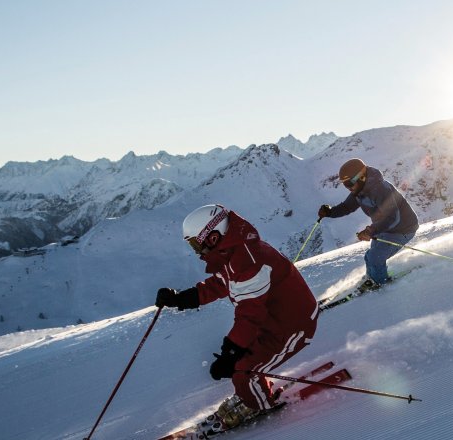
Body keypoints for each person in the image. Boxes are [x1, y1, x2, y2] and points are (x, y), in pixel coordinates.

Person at [155, 204, 319, 429]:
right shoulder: (232, 252)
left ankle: (259, 405)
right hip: (274, 320)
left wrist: (230, 355)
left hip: (293, 325)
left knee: (243, 370)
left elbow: (250, 315)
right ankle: (251, 393)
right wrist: (180, 299)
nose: (196, 251)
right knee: (241, 363)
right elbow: (219, 284)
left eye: (195, 244)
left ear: (212, 237)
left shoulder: (248, 261)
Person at [318, 158, 419, 291]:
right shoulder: (359, 191)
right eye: (344, 184)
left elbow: (393, 217)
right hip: (384, 228)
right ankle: (372, 279)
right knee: (370, 256)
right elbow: (347, 207)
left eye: (349, 183)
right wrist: (330, 212)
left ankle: (380, 286)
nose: (348, 188)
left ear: (360, 177)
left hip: (403, 228)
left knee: (375, 257)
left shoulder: (380, 190)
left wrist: (371, 230)